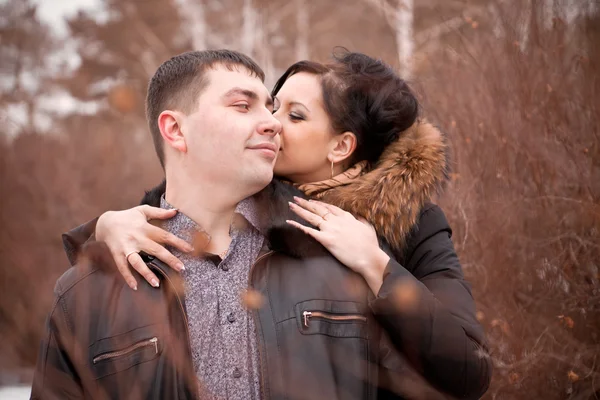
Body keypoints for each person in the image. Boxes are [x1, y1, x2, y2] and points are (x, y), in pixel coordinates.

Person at [37, 50, 491, 400]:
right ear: (175, 130)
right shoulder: (90, 291)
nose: (271, 124)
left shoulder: (357, 251)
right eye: (249, 106)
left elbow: (461, 372)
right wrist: (104, 229)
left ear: (342, 146)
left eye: (291, 115)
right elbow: (186, 189)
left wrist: (375, 264)